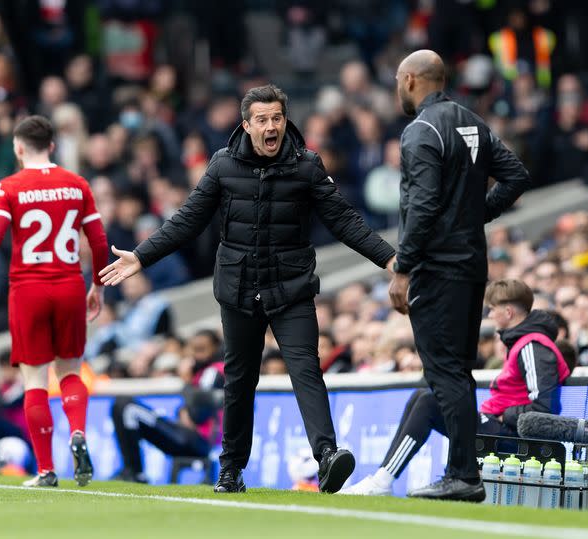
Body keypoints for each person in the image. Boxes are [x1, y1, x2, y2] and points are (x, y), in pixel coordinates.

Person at [100, 84, 396, 494]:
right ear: (247, 125)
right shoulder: (222, 165)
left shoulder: (307, 165)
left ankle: (327, 455)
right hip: (238, 287)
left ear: (285, 121)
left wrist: (389, 258)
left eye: (277, 118)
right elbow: (187, 220)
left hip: (290, 287)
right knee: (238, 380)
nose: (271, 126)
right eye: (262, 120)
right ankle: (231, 469)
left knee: (306, 369)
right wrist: (141, 256)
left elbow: (344, 220)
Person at [387, 50, 530, 501]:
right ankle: (462, 472)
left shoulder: (421, 131)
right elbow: (516, 177)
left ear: (410, 80)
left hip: (437, 268)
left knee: (444, 373)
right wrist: (472, 217)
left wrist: (403, 267)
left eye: (397, 82)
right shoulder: (473, 122)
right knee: (458, 373)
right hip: (471, 265)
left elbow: (424, 205)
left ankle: (464, 477)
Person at [0, 115, 109, 488]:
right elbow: (99, 242)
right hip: (70, 284)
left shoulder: (8, 187)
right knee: (70, 371)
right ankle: (77, 432)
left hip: (28, 289)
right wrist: (98, 286)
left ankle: (45, 470)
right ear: (52, 146)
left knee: (35, 380)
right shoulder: (77, 184)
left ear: (19, 148)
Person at [343, 280, 569, 496]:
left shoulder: (533, 346)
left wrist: (505, 415)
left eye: (492, 310)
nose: (489, 316)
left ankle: (383, 481)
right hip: (501, 426)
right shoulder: (523, 342)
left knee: (428, 403)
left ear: (508, 313)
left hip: (512, 436)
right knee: (422, 397)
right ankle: (383, 477)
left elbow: (544, 408)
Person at [111, 330, 224, 482]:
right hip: (190, 436)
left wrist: (186, 383)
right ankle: (132, 470)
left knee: (126, 406)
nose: (197, 355)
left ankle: (134, 471)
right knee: (122, 406)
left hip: (200, 440)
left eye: (202, 349)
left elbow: (197, 413)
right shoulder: (202, 371)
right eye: (194, 349)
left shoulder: (213, 371)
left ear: (216, 348)